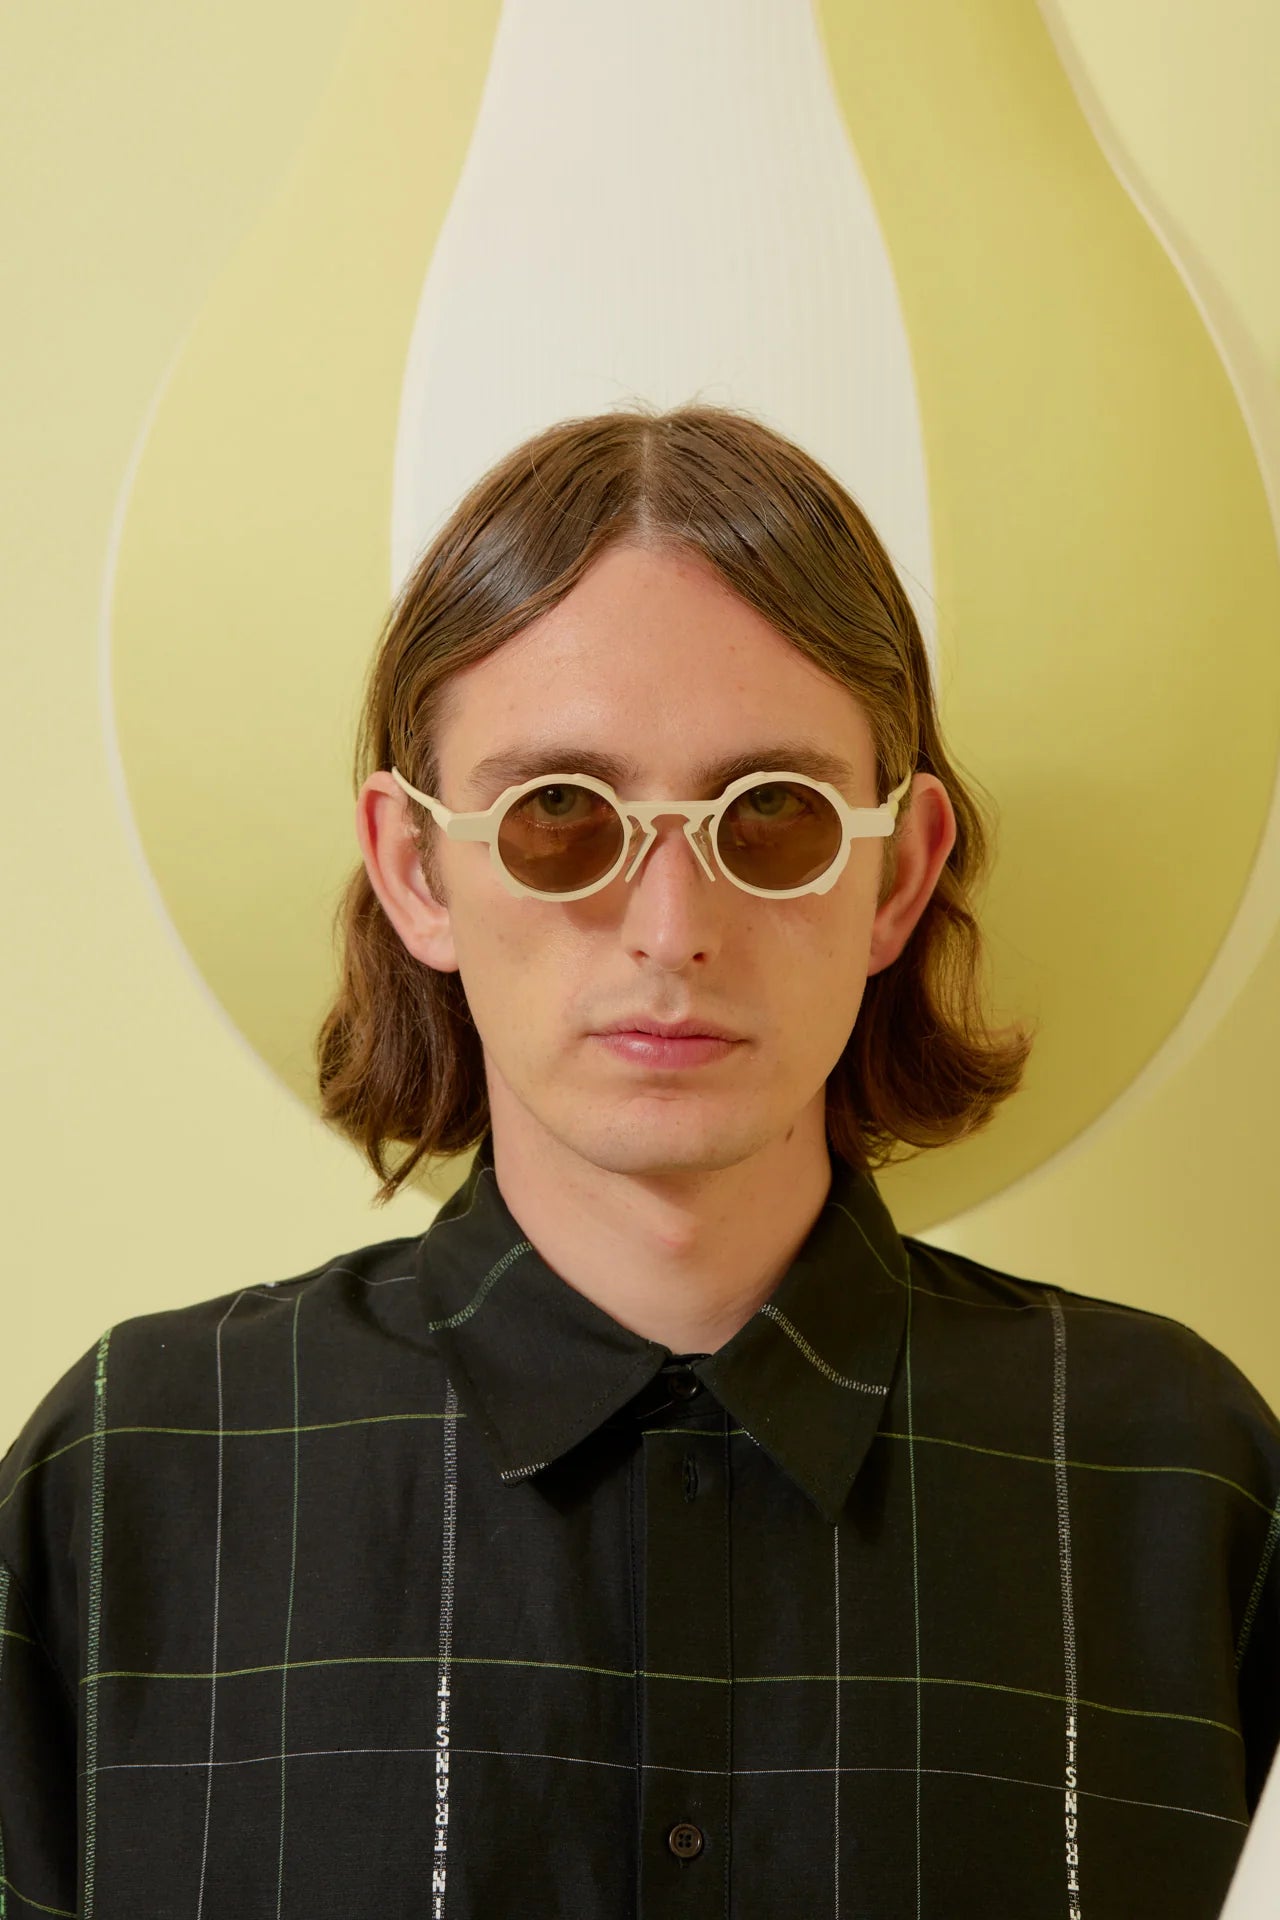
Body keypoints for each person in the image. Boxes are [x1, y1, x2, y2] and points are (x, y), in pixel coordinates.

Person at [1, 402, 1275, 1918]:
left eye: (773, 817)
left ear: (898, 874)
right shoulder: (131, 1478)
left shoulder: (1183, 1482)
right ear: (416, 869)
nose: (672, 931)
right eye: (562, 815)